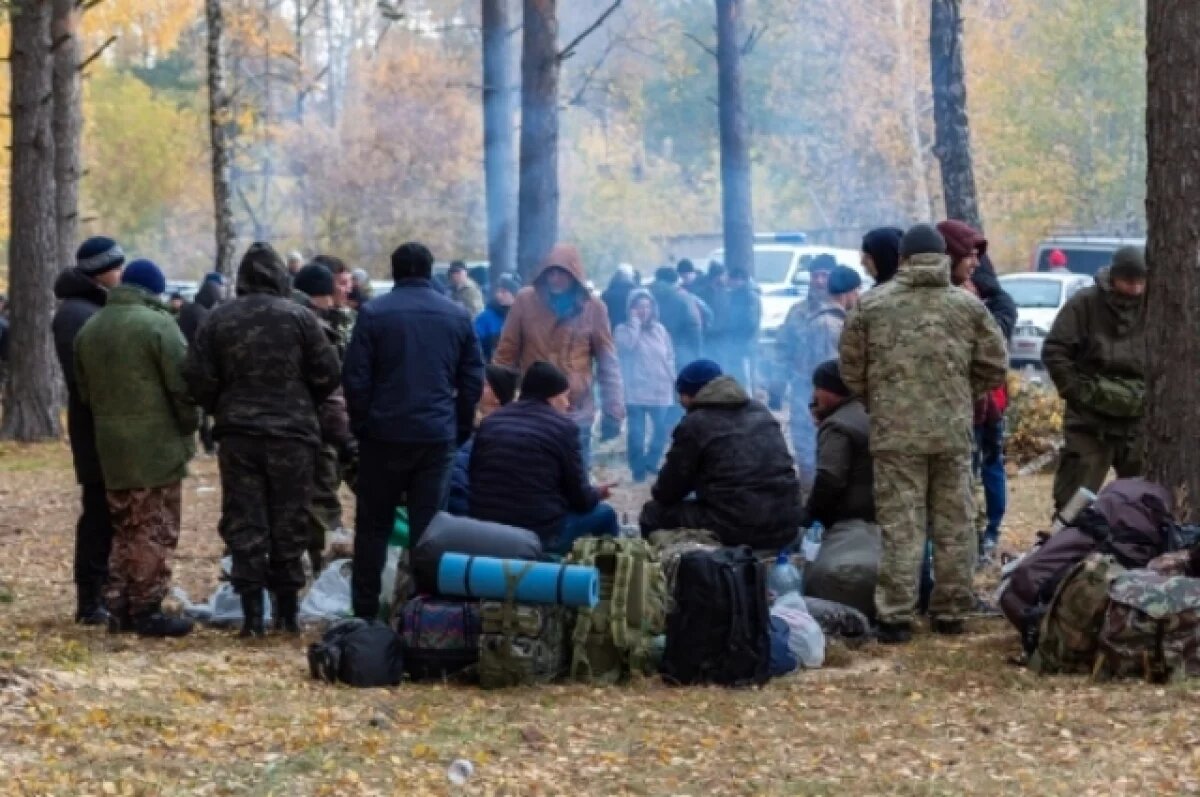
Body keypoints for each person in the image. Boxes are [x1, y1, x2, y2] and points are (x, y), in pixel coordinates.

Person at [839, 224, 1008, 642]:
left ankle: (896, 616)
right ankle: (951, 610)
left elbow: (850, 368)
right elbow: (995, 363)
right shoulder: (967, 306)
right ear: (943, 258)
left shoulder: (872, 305)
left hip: (895, 434)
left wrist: (878, 398)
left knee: (902, 524)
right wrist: (962, 394)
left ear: (902, 259)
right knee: (955, 523)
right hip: (951, 431)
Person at [185, 244, 342, 636]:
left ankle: (253, 616)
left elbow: (196, 378)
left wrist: (224, 403)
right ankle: (288, 614)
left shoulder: (219, 319)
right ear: (280, 277)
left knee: (244, 519)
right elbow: (329, 373)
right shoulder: (301, 318)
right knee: (290, 520)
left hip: (239, 435)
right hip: (293, 436)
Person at [343, 242, 484, 620]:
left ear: (394, 271)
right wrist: (457, 424)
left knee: (373, 526)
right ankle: (426, 614)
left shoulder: (373, 313)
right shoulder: (456, 315)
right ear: (428, 270)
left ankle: (365, 612)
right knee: (430, 530)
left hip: (383, 435)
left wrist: (363, 424)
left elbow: (355, 376)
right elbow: (472, 378)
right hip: (435, 436)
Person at [74, 259, 198, 638]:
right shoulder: (159, 325)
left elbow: (84, 393)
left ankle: (118, 605)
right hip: (155, 448)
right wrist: (188, 426)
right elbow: (183, 386)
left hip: (111, 446)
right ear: (153, 291)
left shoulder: (90, 328)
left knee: (124, 526)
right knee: (154, 528)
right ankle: (146, 609)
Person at [639, 360, 803, 549]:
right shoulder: (760, 410)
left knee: (652, 513)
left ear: (690, 394)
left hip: (740, 526)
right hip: (787, 520)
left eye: (681, 395)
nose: (680, 402)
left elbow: (666, 492)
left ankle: (662, 573)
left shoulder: (695, 424)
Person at [493, 243, 624, 466]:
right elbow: (506, 353)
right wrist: (494, 403)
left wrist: (613, 410)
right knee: (536, 473)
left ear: (575, 274)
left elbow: (607, 361)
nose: (555, 278)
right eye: (550, 272)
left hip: (576, 408)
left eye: (561, 272)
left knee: (576, 474)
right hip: (534, 406)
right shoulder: (526, 301)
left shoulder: (594, 307)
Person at [52, 237, 125, 625]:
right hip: (95, 428)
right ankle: (90, 598)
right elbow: (87, 381)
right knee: (98, 514)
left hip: (103, 426)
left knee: (106, 513)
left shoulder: (89, 308)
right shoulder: (77, 314)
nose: (123, 273)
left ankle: (103, 593)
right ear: (103, 271)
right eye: (118, 266)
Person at [1041, 246, 1147, 513]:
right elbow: (1055, 350)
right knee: (1072, 506)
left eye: (1140, 282)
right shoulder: (1084, 304)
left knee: (1143, 503)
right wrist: (1076, 392)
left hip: (1139, 421)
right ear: (1114, 277)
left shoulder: (1157, 306)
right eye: (1128, 281)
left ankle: (1135, 553)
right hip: (1089, 421)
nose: (1135, 289)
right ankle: (1063, 552)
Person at [470, 362, 618, 553]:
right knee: (606, 514)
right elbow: (581, 499)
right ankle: (601, 577)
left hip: (486, 532)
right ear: (552, 397)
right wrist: (597, 493)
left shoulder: (490, 422)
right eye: (565, 397)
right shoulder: (563, 428)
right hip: (539, 536)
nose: (568, 404)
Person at [292, 262, 357, 574]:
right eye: (337, 287)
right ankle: (321, 569)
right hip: (315, 429)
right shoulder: (314, 326)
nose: (342, 293)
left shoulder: (275, 318)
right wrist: (344, 438)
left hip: (278, 429)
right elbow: (330, 388)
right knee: (320, 503)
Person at [801, 359, 880, 619]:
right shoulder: (867, 412)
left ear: (832, 390)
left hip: (853, 515)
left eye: (818, 388)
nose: (814, 395)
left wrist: (810, 515)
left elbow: (829, 479)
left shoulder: (838, 425)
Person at [778, 265, 860, 492]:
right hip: (819, 409)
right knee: (818, 471)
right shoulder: (828, 324)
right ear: (848, 292)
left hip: (815, 407)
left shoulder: (831, 320)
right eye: (857, 292)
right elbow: (830, 376)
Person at [615, 289, 676, 483]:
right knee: (636, 434)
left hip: (661, 389)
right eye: (639, 306)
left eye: (647, 306)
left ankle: (651, 462)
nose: (644, 310)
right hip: (636, 390)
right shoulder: (622, 330)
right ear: (631, 309)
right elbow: (625, 348)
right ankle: (638, 469)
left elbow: (669, 356)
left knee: (660, 431)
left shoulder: (660, 329)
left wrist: (673, 379)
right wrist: (635, 324)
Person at [447, 364, 521, 515]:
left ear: (497, 396)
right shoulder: (467, 419)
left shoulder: (499, 431)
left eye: (486, 384)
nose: (479, 386)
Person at [648, 266, 703, 368]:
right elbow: (695, 324)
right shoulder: (685, 297)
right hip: (682, 350)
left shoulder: (648, 296)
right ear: (674, 280)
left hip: (656, 351)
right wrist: (696, 353)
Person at [721, 266, 762, 391]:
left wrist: (738, 337)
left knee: (746, 377)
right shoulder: (736, 294)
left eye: (731, 279)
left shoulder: (750, 296)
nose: (729, 282)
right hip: (738, 342)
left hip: (746, 344)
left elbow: (751, 321)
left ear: (739, 279)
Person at [475, 273, 520, 361]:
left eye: (504, 292)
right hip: (493, 369)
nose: (498, 295)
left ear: (514, 294)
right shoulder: (485, 318)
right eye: (498, 291)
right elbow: (473, 344)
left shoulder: (523, 316)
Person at [601, 264, 637, 330]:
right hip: (631, 328)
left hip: (612, 328)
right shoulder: (635, 293)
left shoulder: (606, 294)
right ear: (630, 277)